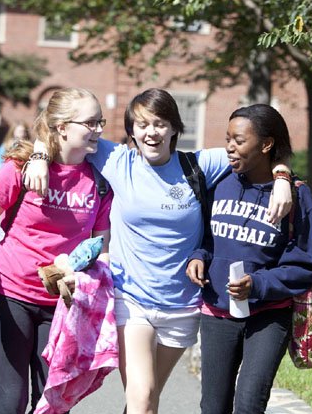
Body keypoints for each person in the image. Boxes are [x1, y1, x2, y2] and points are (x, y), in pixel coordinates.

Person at [23, 88, 293, 414]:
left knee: (148, 399)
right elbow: (58, 131)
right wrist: (38, 156)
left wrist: (282, 176)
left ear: (175, 128)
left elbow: (260, 153)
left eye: (160, 123)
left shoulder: (199, 164)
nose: (151, 132)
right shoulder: (116, 159)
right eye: (141, 124)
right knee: (142, 400)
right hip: (131, 300)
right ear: (131, 131)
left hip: (183, 307)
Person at [0, 87, 113, 414]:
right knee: (9, 399)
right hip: (9, 294)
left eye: (101, 121)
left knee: (51, 402)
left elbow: (102, 251)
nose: (99, 129)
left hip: (62, 305)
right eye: (91, 122)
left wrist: (88, 282)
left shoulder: (100, 182)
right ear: (63, 127)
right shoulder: (21, 168)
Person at [186, 104, 312, 414]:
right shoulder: (219, 182)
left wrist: (258, 283)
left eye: (238, 140)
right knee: (213, 406)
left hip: (268, 313)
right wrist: (198, 256)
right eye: (227, 139)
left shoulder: (296, 197)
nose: (229, 147)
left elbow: (307, 264)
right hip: (217, 310)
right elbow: (207, 237)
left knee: (249, 404)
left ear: (266, 144)